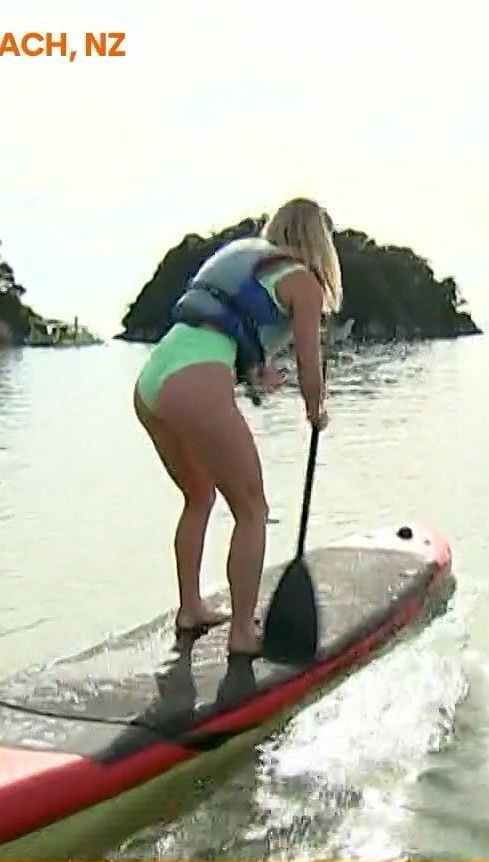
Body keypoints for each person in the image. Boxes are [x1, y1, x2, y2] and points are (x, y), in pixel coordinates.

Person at [132, 197, 340, 657]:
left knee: (199, 496)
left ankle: (190, 609)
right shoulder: (304, 283)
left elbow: (218, 332)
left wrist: (254, 374)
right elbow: (310, 366)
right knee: (252, 510)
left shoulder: (244, 257)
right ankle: (243, 632)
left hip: (151, 380)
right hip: (195, 383)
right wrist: (315, 408)